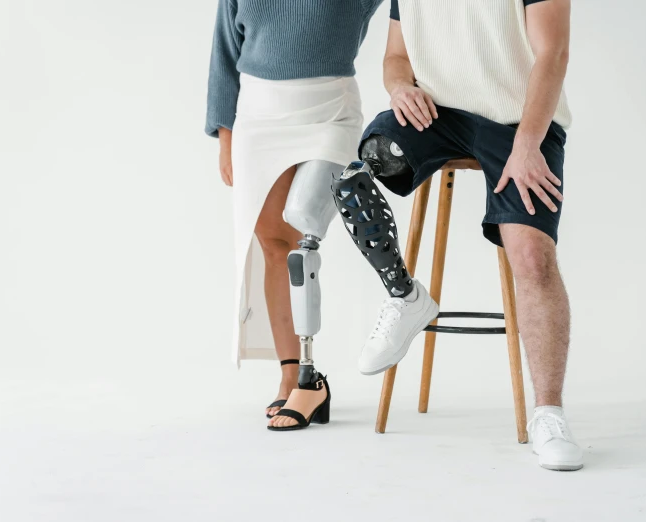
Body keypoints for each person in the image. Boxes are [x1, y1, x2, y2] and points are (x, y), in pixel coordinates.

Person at [331, 0, 583, 470]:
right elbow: (395, 57)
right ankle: (406, 296)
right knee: (356, 175)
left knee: (531, 257)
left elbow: (554, 53)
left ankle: (548, 413)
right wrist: (400, 86)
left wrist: (528, 143)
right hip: (437, 115)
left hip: (519, 121)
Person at [205, 0, 384, 431]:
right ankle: (295, 375)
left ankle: (309, 380)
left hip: (329, 112)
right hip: (258, 115)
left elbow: (411, 16)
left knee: (305, 241)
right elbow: (225, 51)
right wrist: (225, 136)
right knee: (274, 246)